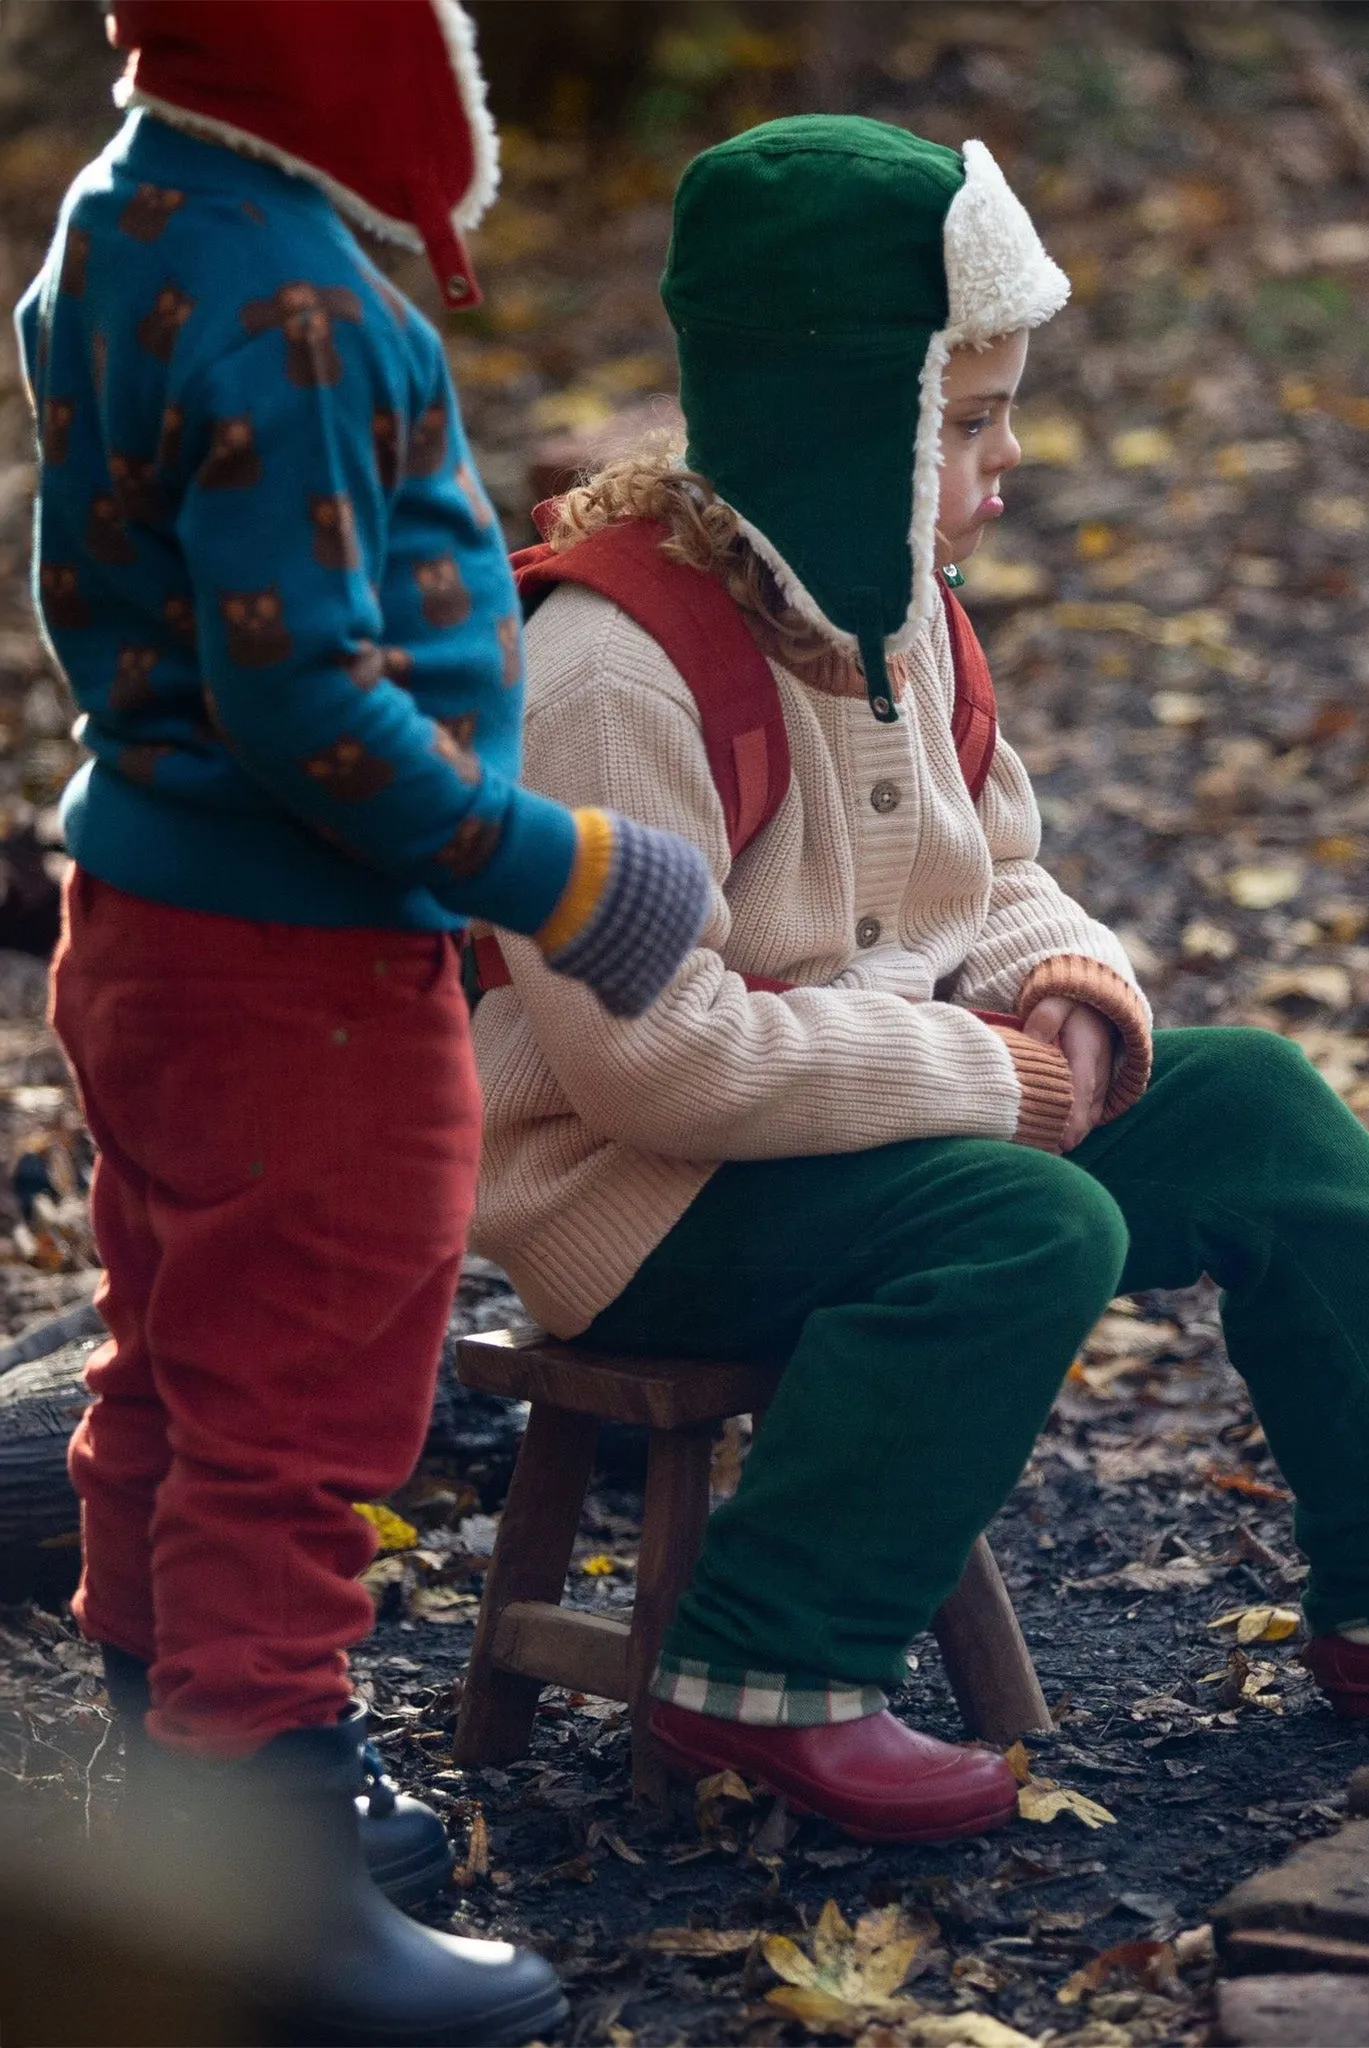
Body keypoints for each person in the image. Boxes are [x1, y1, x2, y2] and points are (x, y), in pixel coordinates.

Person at [471, 114, 1369, 1847]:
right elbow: (655, 1064)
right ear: (842, 416)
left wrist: (1063, 990)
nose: (1006, 458)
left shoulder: (889, 615)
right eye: (961, 422)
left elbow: (996, 867)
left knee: (1251, 1105)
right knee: (1027, 1219)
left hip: (866, 1117)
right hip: (645, 1198)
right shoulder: (613, 669)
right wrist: (995, 1080)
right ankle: (764, 1666)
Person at [18, 4, 711, 2038]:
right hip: (301, 964)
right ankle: (266, 1899)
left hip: (143, 909)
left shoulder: (130, 201)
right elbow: (309, 705)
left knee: (177, 1361)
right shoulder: (297, 308)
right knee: (300, 1415)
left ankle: (178, 1802)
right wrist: (562, 872)